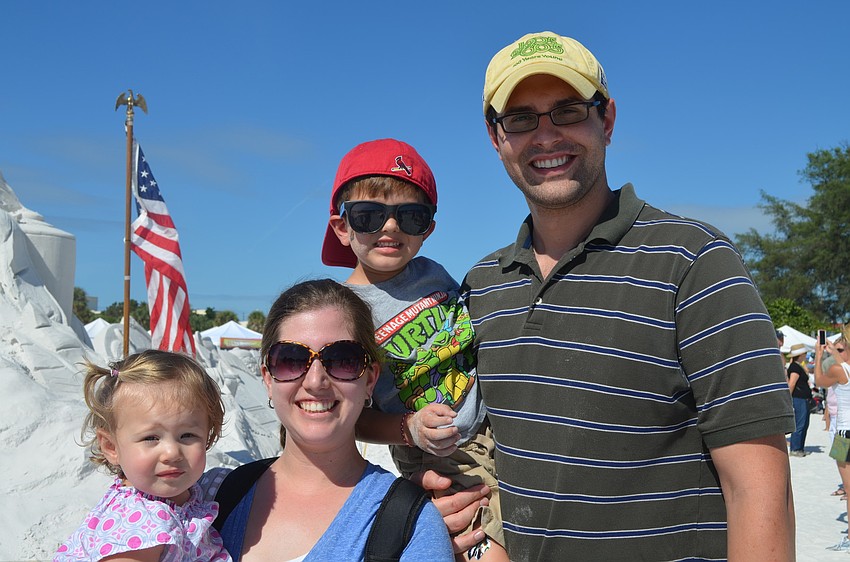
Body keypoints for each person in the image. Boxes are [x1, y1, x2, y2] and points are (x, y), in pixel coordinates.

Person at [428, 31, 797, 560]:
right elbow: (477, 457)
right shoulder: (482, 285)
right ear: (495, 137)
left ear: (608, 119)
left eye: (568, 110)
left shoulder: (693, 261)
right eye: (520, 118)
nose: (546, 135)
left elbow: (760, 489)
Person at [322, 138, 507, 561]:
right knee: (490, 548)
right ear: (342, 227)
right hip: (441, 451)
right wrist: (409, 428)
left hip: (495, 426)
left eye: (410, 215)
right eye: (369, 216)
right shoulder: (344, 311)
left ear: (428, 229)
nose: (390, 228)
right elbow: (350, 419)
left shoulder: (435, 274)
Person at [200, 279, 453, 561]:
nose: (316, 381)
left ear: (370, 379)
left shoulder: (411, 526)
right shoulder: (211, 498)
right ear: (268, 378)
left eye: (343, 359)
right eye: (291, 359)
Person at [55, 350, 230, 561]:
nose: (172, 453)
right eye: (151, 438)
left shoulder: (188, 496)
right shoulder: (139, 522)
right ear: (111, 447)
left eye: (187, 435)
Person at [814, 329, 850, 551]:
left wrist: (819, 355)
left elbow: (819, 380)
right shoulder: (843, 367)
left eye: (840, 349)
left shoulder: (839, 371)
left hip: (844, 435)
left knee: (849, 491)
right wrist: (835, 352)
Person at [786, 343, 813, 456]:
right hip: (799, 398)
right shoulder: (795, 367)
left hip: (803, 397)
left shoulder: (798, 365)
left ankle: (799, 447)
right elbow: (791, 383)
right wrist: (788, 398)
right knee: (800, 423)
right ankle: (795, 448)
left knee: (804, 423)